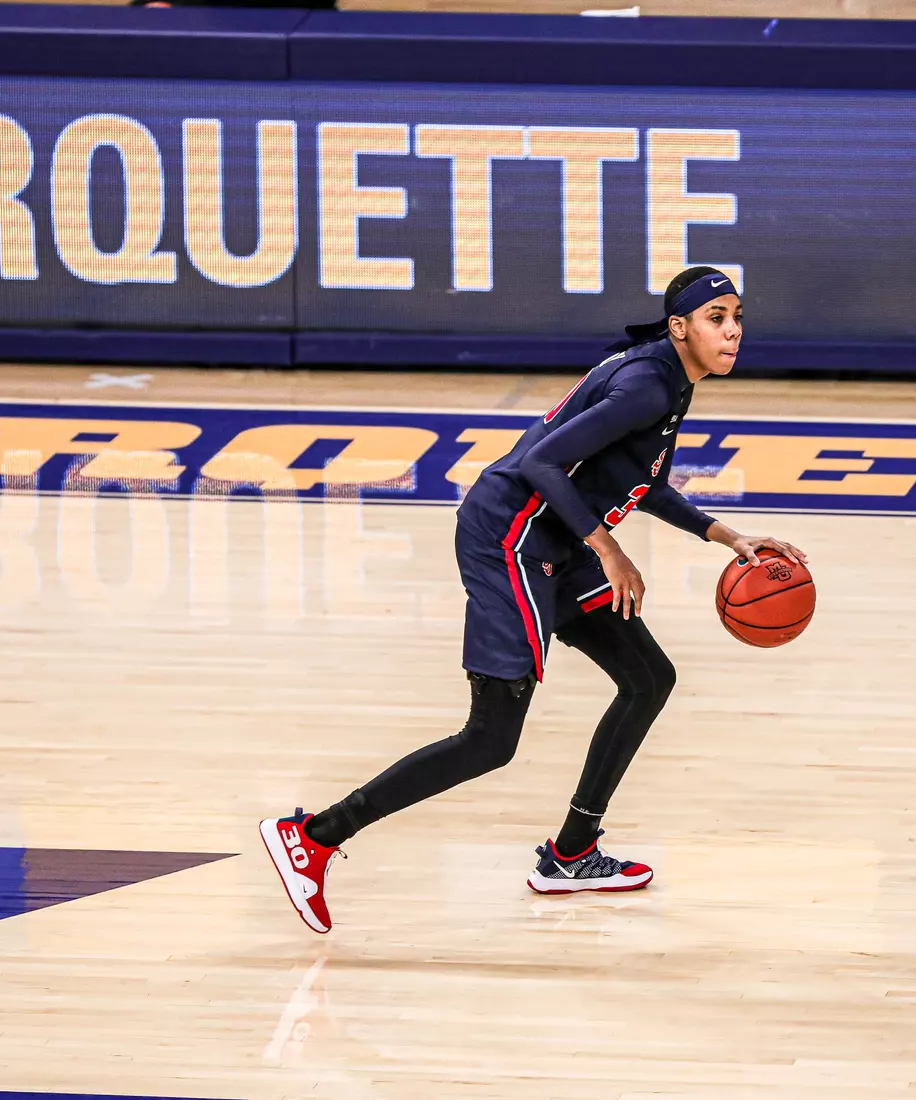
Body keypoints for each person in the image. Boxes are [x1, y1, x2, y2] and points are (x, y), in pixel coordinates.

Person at [260, 266, 806, 934]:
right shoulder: (645, 383)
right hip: (509, 538)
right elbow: (540, 464)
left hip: (554, 539)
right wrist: (607, 548)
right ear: (679, 328)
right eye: (717, 318)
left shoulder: (672, 378)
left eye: (738, 317)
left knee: (648, 678)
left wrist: (724, 535)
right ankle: (313, 837)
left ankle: (572, 853)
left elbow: (638, 482)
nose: (732, 331)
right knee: (491, 739)